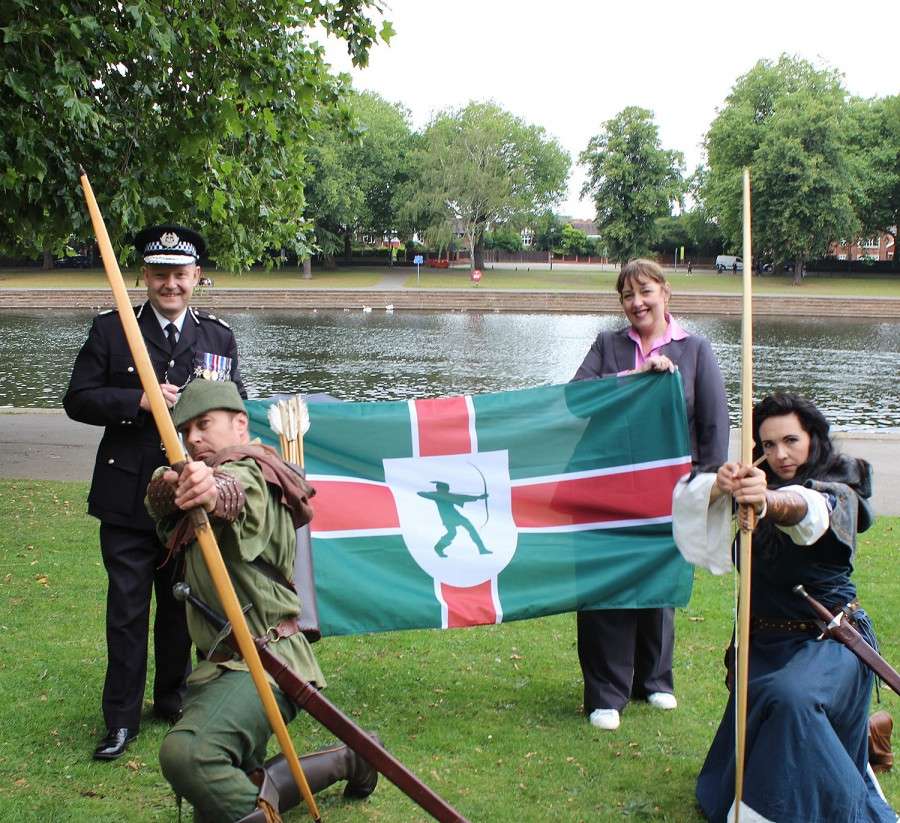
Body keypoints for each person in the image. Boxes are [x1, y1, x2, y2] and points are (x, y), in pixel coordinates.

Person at [146, 379, 377, 822]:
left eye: (204, 424)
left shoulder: (259, 473)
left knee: (190, 755)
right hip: (224, 662)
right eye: (185, 429)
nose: (193, 437)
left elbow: (235, 497)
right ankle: (351, 759)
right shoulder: (195, 473)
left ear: (239, 424)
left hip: (266, 659)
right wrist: (175, 479)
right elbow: (158, 499)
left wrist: (211, 490)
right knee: (232, 791)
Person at [63, 224, 245, 760]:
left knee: (178, 604)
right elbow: (78, 399)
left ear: (196, 278)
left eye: (180, 275)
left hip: (188, 495)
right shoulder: (113, 330)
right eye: (160, 274)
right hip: (126, 495)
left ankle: (171, 696)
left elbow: (234, 414)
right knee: (125, 609)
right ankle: (119, 719)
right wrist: (137, 401)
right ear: (145, 276)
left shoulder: (217, 337)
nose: (170, 284)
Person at [672, 393, 896, 822]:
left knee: (790, 697)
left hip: (828, 640)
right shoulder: (753, 481)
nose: (781, 454)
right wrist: (721, 488)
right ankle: (860, 736)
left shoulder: (840, 484)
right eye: (768, 444)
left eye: (791, 440)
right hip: (764, 643)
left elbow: (811, 509)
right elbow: (692, 514)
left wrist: (768, 503)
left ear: (813, 437)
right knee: (762, 726)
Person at [572, 258, 729, 731]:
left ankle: (655, 679)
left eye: (645, 292)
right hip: (610, 488)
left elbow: (712, 425)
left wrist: (706, 487)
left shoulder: (696, 350)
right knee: (608, 586)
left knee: (659, 583)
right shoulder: (608, 346)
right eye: (626, 296)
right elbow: (578, 397)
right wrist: (632, 382)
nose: (636, 303)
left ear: (665, 293)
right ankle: (606, 692)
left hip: (670, 491)